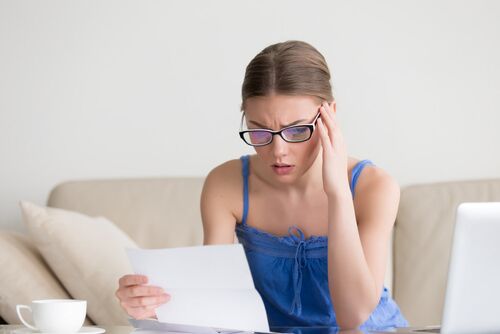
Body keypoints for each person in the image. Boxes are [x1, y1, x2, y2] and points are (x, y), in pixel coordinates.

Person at [115, 40, 409, 331]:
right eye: (259, 131)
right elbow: (211, 304)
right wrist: (153, 307)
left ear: (329, 114)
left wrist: (338, 194)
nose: (278, 150)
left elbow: (354, 317)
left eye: (296, 129)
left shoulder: (374, 187)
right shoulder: (226, 185)